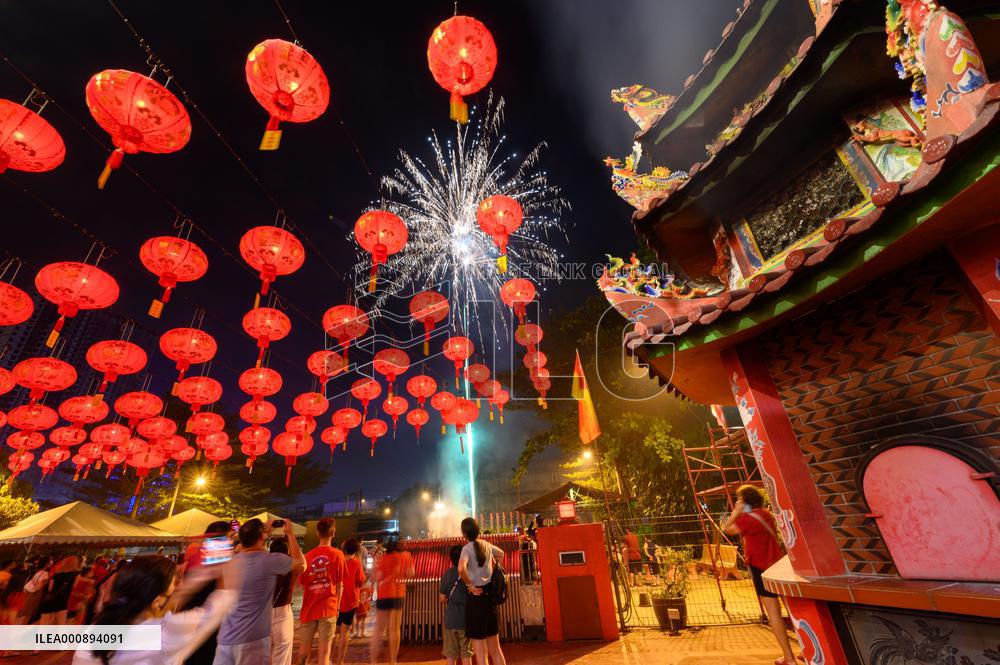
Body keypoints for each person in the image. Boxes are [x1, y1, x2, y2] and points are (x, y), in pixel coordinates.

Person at [73, 555, 237, 665]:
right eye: (174, 588)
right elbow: (219, 605)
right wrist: (221, 563)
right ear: (157, 601)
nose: (178, 592)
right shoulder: (166, 632)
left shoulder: (95, 630)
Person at [214, 519, 305, 665]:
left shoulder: (230, 563)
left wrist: (261, 534)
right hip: (252, 640)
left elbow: (241, 549)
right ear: (262, 537)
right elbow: (300, 563)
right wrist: (290, 534)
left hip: (226, 639)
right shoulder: (270, 560)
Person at [724, 485, 797, 665]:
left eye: (740, 500)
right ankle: (807, 648)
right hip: (778, 565)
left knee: (773, 613)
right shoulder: (767, 515)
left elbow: (727, 529)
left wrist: (736, 511)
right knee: (792, 610)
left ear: (745, 501)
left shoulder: (748, 520)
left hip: (760, 567)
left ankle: (789, 657)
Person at [458, 518, 506, 665]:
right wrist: (492, 568)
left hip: (476, 599)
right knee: (495, 650)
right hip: (489, 599)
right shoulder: (486, 545)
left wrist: (470, 585)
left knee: (480, 653)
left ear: (464, 533)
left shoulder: (466, 549)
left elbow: (461, 569)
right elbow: (501, 553)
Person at [299, 517, 346, 665]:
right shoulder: (338, 555)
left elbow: (303, 584)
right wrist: (338, 607)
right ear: (333, 533)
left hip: (309, 609)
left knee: (302, 654)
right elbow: (340, 585)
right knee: (324, 657)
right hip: (328, 608)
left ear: (318, 533)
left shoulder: (307, 557)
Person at [369, 537, 414, 665]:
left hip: (384, 595)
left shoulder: (384, 558)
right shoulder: (407, 555)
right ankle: (393, 661)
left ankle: (373, 661)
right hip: (398, 594)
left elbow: (378, 577)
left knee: (379, 630)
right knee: (395, 629)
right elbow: (411, 573)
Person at [334, 539, 366, 665]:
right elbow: (360, 580)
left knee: (333, 631)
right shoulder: (357, 563)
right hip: (350, 600)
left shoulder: (338, 560)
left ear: (345, 548)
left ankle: (328, 658)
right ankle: (340, 661)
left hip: (336, 600)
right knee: (344, 631)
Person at [439, 545, 472, 665]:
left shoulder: (447, 574)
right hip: (465, 619)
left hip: (451, 620)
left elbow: (442, 598)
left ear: (451, 558)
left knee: (451, 654)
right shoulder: (468, 573)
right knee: (466, 653)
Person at [269, 538, 298, 665]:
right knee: (281, 659)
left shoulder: (262, 569)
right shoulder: (292, 568)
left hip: (262, 617)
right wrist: (290, 534)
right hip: (283, 616)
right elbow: (302, 562)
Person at [39, 555, 80, 625]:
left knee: (44, 624)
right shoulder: (76, 574)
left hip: (50, 600)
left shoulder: (57, 573)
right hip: (62, 601)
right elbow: (74, 587)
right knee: (60, 626)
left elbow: (50, 588)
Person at [20, 556, 52, 624]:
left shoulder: (37, 570)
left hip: (28, 591)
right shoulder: (45, 573)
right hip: (34, 594)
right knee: (28, 613)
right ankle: (20, 629)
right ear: (47, 563)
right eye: (50, 561)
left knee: (25, 612)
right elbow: (38, 586)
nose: (51, 562)